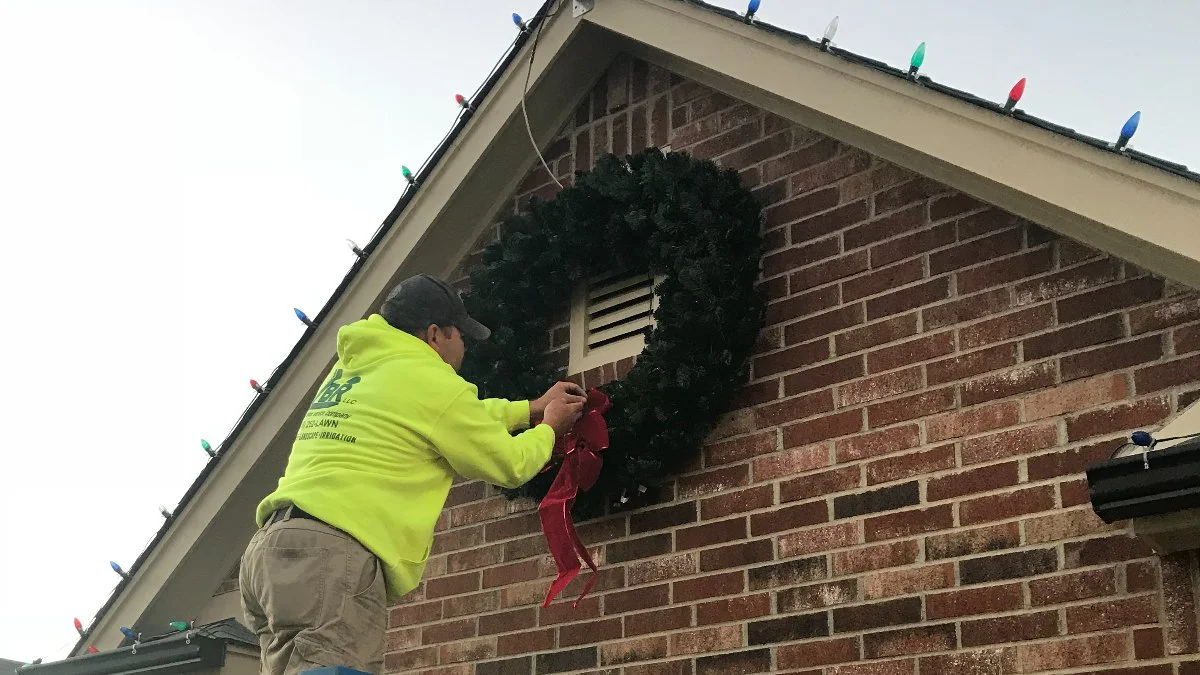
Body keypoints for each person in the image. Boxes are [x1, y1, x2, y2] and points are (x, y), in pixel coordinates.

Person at [239, 273, 586, 675]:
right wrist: (550, 427)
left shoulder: (360, 367)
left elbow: (456, 415)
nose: (464, 346)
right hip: (332, 554)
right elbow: (509, 463)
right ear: (435, 334)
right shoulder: (431, 379)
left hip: (270, 552)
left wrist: (530, 409)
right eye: (461, 334)